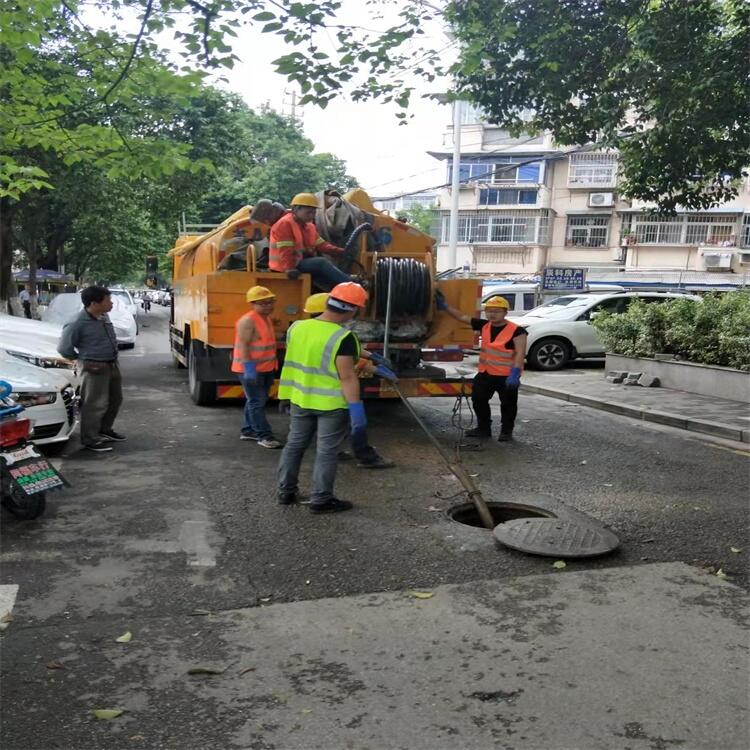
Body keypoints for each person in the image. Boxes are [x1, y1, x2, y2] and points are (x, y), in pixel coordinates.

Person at [276, 282, 378, 513]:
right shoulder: (344, 336)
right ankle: (321, 499)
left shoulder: (297, 328)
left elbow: (313, 349)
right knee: (326, 451)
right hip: (331, 405)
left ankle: (286, 492)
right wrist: (356, 409)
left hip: (300, 398)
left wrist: (372, 355)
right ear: (352, 310)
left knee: (294, 446)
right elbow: (347, 377)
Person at [301, 292, 395, 469]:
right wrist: (374, 367)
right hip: (334, 392)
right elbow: (346, 366)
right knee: (354, 424)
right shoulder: (335, 334)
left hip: (308, 393)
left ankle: (335, 451)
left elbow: (349, 353)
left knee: (326, 430)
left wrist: (373, 357)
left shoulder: (306, 331)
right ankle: (365, 457)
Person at [436, 291, 527, 442]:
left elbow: (520, 352)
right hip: (486, 373)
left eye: (497, 311)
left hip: (506, 376)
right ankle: (484, 428)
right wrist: (446, 307)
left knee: (508, 405)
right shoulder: (484, 325)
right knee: (478, 399)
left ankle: (506, 432)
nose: (492, 314)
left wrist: (515, 373)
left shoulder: (517, 331)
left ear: (505, 312)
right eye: (489, 311)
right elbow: (462, 317)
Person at [57, 286, 124, 453]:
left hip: (111, 364)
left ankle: (104, 430)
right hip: (94, 367)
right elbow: (64, 348)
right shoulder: (77, 322)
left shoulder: (103, 316)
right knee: (94, 404)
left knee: (115, 399)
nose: (111, 303)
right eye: (107, 300)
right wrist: (83, 362)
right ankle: (90, 438)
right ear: (94, 303)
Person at [232, 286, 283, 449]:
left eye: (270, 302)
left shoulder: (265, 318)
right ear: (253, 304)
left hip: (266, 368)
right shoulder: (248, 321)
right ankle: (264, 435)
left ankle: (248, 430)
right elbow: (245, 345)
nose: (268, 306)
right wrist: (249, 369)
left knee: (254, 401)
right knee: (257, 402)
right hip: (252, 369)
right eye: (263, 303)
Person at [269, 192, 353, 291]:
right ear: (296, 209)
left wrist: (340, 251)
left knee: (325, 280)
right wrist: (289, 269)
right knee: (320, 262)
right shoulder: (285, 224)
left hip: (298, 262)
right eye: (308, 212)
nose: (311, 216)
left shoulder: (309, 226)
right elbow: (286, 249)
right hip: (284, 266)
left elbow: (322, 245)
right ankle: (352, 286)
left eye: (313, 213)